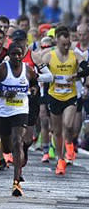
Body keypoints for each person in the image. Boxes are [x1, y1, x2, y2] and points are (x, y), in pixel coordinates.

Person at [0, 41, 36, 196]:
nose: (17, 57)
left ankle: (16, 183)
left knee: (17, 142)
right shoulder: (1, 69)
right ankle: (5, 147)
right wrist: (2, 93)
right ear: (9, 55)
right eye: (14, 54)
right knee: (7, 147)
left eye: (20, 54)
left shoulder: (28, 71)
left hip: (21, 111)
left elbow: (34, 85)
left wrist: (33, 89)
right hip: (4, 113)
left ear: (23, 55)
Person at [34, 26, 85, 175]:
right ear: (57, 42)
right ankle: (60, 160)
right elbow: (38, 71)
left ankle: (69, 145)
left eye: (68, 44)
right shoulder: (48, 56)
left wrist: (77, 75)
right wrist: (47, 77)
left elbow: (86, 68)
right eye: (63, 44)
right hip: (54, 96)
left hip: (70, 96)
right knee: (57, 132)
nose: (66, 47)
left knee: (68, 125)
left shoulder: (74, 55)